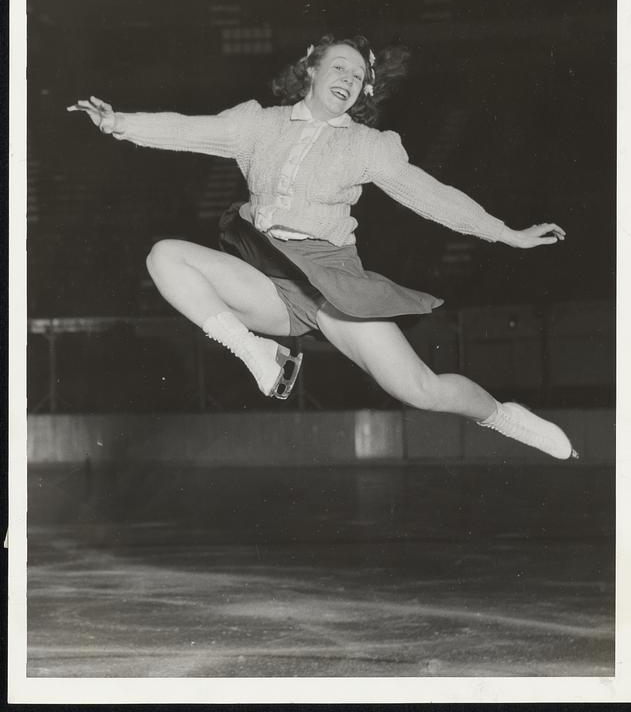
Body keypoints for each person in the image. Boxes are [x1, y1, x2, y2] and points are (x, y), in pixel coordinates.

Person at [68, 33, 577, 460]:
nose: (348, 81)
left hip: (334, 284)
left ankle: (505, 418)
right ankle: (260, 354)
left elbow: (430, 195)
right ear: (310, 70)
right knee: (165, 256)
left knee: (421, 390)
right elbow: (189, 128)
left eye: (358, 77)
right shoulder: (257, 125)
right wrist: (120, 123)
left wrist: (504, 232)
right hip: (271, 277)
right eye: (339, 67)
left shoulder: (367, 146)